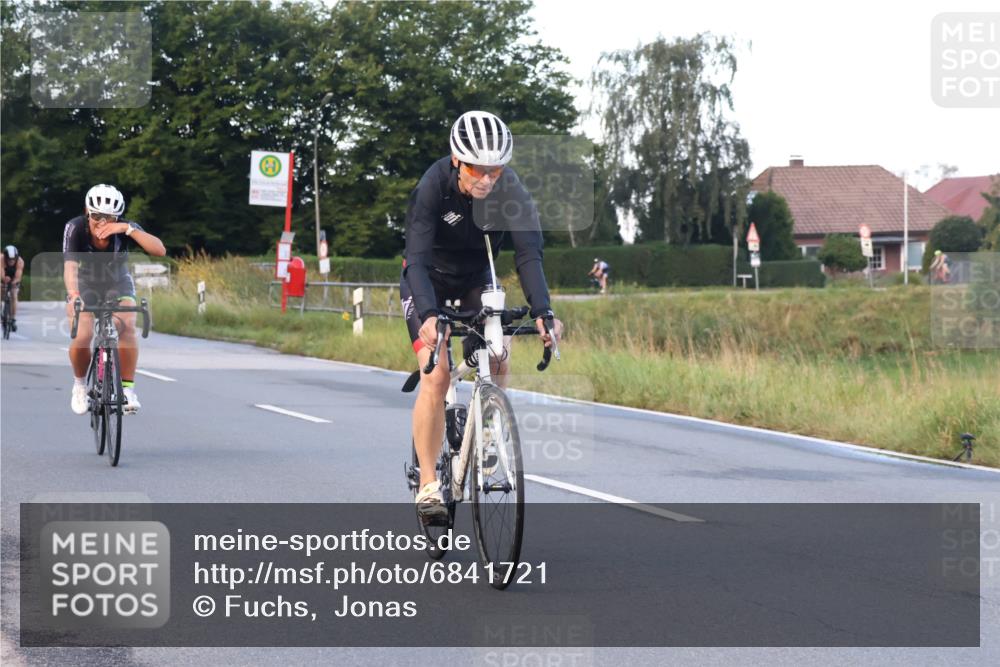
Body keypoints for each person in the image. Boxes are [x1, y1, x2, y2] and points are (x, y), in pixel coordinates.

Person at [400, 110, 562, 516]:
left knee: (499, 353)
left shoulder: (512, 192)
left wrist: (543, 311)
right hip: (428, 280)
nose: (488, 180)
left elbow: (528, 254)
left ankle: (488, 436)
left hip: (477, 279)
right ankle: (428, 485)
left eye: (496, 170)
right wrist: (429, 315)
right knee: (436, 374)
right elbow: (415, 260)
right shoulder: (432, 187)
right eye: (478, 169)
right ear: (457, 160)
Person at [63, 184, 166, 415]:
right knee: (83, 335)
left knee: (127, 324)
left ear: (117, 217)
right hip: (85, 283)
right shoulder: (75, 227)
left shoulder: (124, 227)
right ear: (87, 212)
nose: (102, 222)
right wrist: (74, 295)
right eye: (96, 216)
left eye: (109, 217)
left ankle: (127, 390)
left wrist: (128, 229)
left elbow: (159, 250)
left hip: (117, 282)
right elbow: (70, 266)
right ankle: (80, 386)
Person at [2, 245, 25, 331]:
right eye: (9, 259)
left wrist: (14, 283)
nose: (11, 261)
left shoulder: (20, 261)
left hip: (13, 277)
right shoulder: (1, 260)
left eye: (13, 259)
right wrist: (3, 279)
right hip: (3, 276)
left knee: (14, 295)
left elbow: (18, 276)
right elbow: (1, 272)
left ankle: (13, 319)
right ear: (5, 257)